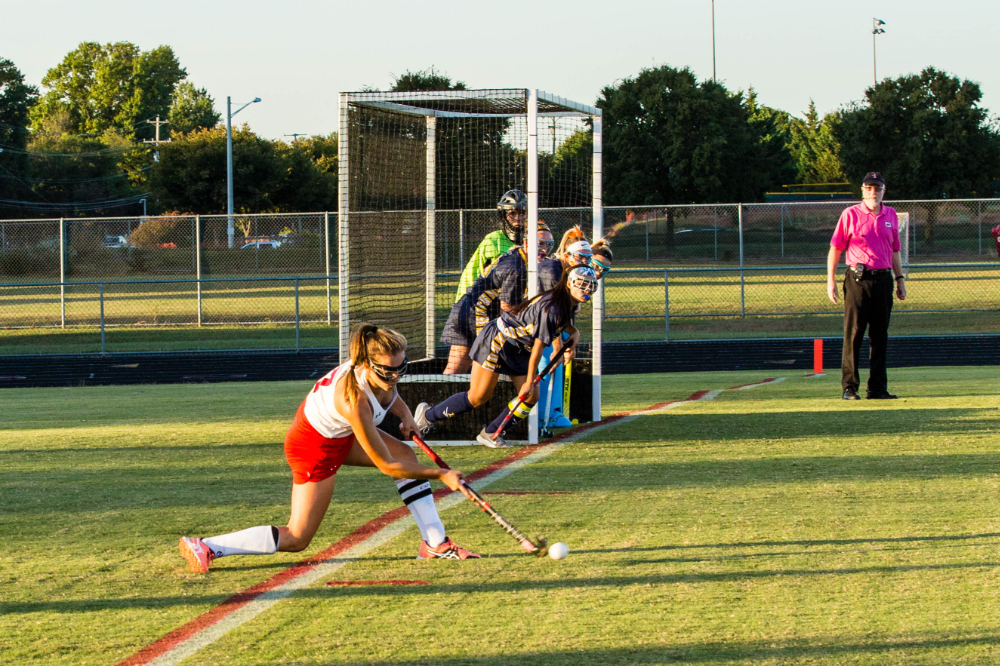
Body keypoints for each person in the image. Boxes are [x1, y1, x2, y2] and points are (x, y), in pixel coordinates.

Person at [178, 324, 480, 572]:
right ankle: (207, 545)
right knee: (297, 537)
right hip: (313, 447)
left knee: (406, 453)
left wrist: (405, 416)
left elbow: (390, 394)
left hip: (338, 436)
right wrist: (442, 474)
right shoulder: (354, 400)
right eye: (388, 372)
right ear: (366, 365)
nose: (395, 377)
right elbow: (386, 465)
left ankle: (435, 544)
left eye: (401, 368)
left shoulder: (381, 369)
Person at [415, 266, 599, 448]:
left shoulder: (567, 304)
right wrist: (528, 380)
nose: (586, 290)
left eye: (590, 285)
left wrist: (573, 331)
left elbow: (559, 324)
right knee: (477, 397)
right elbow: (538, 348)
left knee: (530, 397)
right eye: (581, 284)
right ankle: (428, 415)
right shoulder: (553, 308)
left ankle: (491, 433)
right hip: (499, 341)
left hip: (518, 348)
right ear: (569, 283)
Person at [827, 171, 907, 400]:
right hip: (858, 280)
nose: (874, 192)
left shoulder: (891, 214)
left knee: (880, 335)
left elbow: (894, 250)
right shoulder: (850, 214)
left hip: (883, 279)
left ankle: (877, 388)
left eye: (878, 188)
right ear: (862, 190)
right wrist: (830, 280)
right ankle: (849, 387)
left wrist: (900, 280)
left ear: (884, 190)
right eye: (869, 188)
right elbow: (835, 248)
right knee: (854, 334)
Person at [441, 223, 554, 374]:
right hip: (473, 315)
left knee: (462, 368)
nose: (545, 250)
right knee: (463, 369)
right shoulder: (517, 267)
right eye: (540, 244)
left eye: (549, 245)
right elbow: (506, 307)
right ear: (526, 242)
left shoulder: (518, 257)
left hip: (470, 310)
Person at [454, 190, 526, 301]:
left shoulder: (534, 241)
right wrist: (463, 305)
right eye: (512, 213)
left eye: (522, 213)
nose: (518, 218)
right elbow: (471, 274)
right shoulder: (493, 240)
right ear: (503, 215)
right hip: (494, 304)